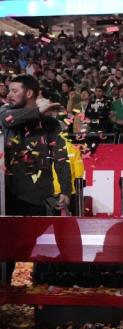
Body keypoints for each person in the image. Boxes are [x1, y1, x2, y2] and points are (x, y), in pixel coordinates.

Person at [1, 74, 71, 284]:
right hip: (8, 198)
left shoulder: (49, 124)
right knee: (5, 251)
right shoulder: (6, 113)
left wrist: (66, 190)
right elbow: (7, 120)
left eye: (14, 91)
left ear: (29, 93)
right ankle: (4, 294)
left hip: (39, 197)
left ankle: (42, 299)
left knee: (44, 253)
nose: (9, 95)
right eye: (9, 90)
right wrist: (38, 110)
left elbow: (60, 158)